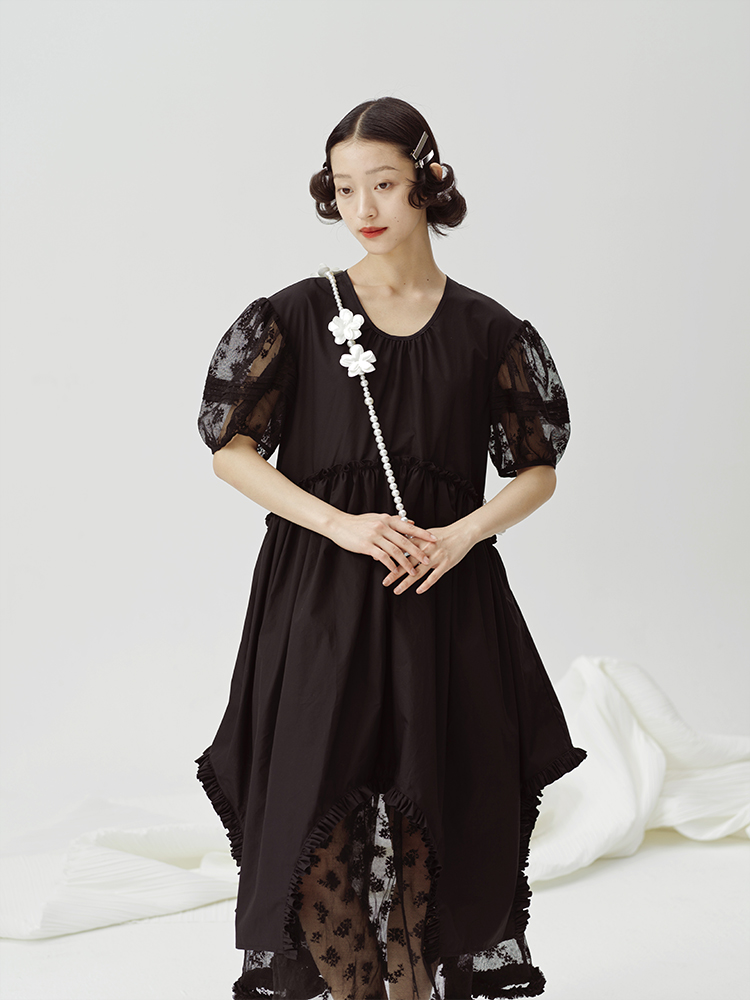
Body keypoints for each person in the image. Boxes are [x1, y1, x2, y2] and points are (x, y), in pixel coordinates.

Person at [195, 97, 586, 1000]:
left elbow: (537, 469)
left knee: (433, 814)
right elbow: (230, 450)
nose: (362, 207)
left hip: (444, 594)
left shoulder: (490, 331)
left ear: (427, 182)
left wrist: (462, 534)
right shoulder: (295, 315)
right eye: (343, 188)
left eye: (382, 183)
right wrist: (342, 524)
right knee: (316, 811)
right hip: (318, 597)